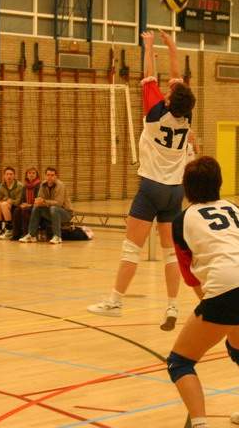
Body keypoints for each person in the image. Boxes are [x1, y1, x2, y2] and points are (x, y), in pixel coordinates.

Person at [87, 30, 196, 330]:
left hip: (151, 187)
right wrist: (172, 47)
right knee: (170, 252)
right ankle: (172, 304)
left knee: (131, 248)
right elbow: (176, 77)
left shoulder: (155, 113)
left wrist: (148, 47)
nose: (168, 89)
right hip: (175, 190)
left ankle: (115, 301)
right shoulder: (187, 116)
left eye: (169, 92)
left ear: (169, 100)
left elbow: (149, 76)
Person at [167, 156, 239, 428]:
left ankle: (200, 424)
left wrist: (215, 312)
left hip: (230, 286)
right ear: (219, 183)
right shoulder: (234, 207)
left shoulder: (182, 221)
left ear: (186, 188)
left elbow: (190, 277)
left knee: (179, 362)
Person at [19, 167, 73, 244]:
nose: (50, 177)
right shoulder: (43, 184)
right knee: (37, 207)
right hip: (51, 211)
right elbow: (39, 198)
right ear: (45, 176)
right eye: (48, 175)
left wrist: (44, 201)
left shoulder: (60, 185)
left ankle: (57, 236)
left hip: (66, 213)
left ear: (56, 176)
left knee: (54, 208)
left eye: (52, 175)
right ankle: (32, 235)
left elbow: (58, 203)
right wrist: (38, 201)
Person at [0, 166, 23, 239]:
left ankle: (9, 230)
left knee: (4, 204)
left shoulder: (19, 186)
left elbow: (19, 201)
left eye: (11, 174)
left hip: (16, 206)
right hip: (6, 204)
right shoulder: (2, 186)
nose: (9, 176)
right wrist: (6, 200)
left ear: (14, 176)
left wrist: (11, 201)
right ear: (4, 176)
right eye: (7, 174)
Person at [12, 167, 40, 240]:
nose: (31, 175)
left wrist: (29, 205)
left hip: (36, 207)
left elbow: (39, 199)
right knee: (17, 210)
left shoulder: (39, 185)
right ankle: (16, 234)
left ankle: (26, 234)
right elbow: (22, 199)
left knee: (25, 210)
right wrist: (22, 204)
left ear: (36, 175)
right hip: (27, 205)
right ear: (26, 175)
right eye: (29, 173)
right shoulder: (25, 186)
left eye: (33, 173)